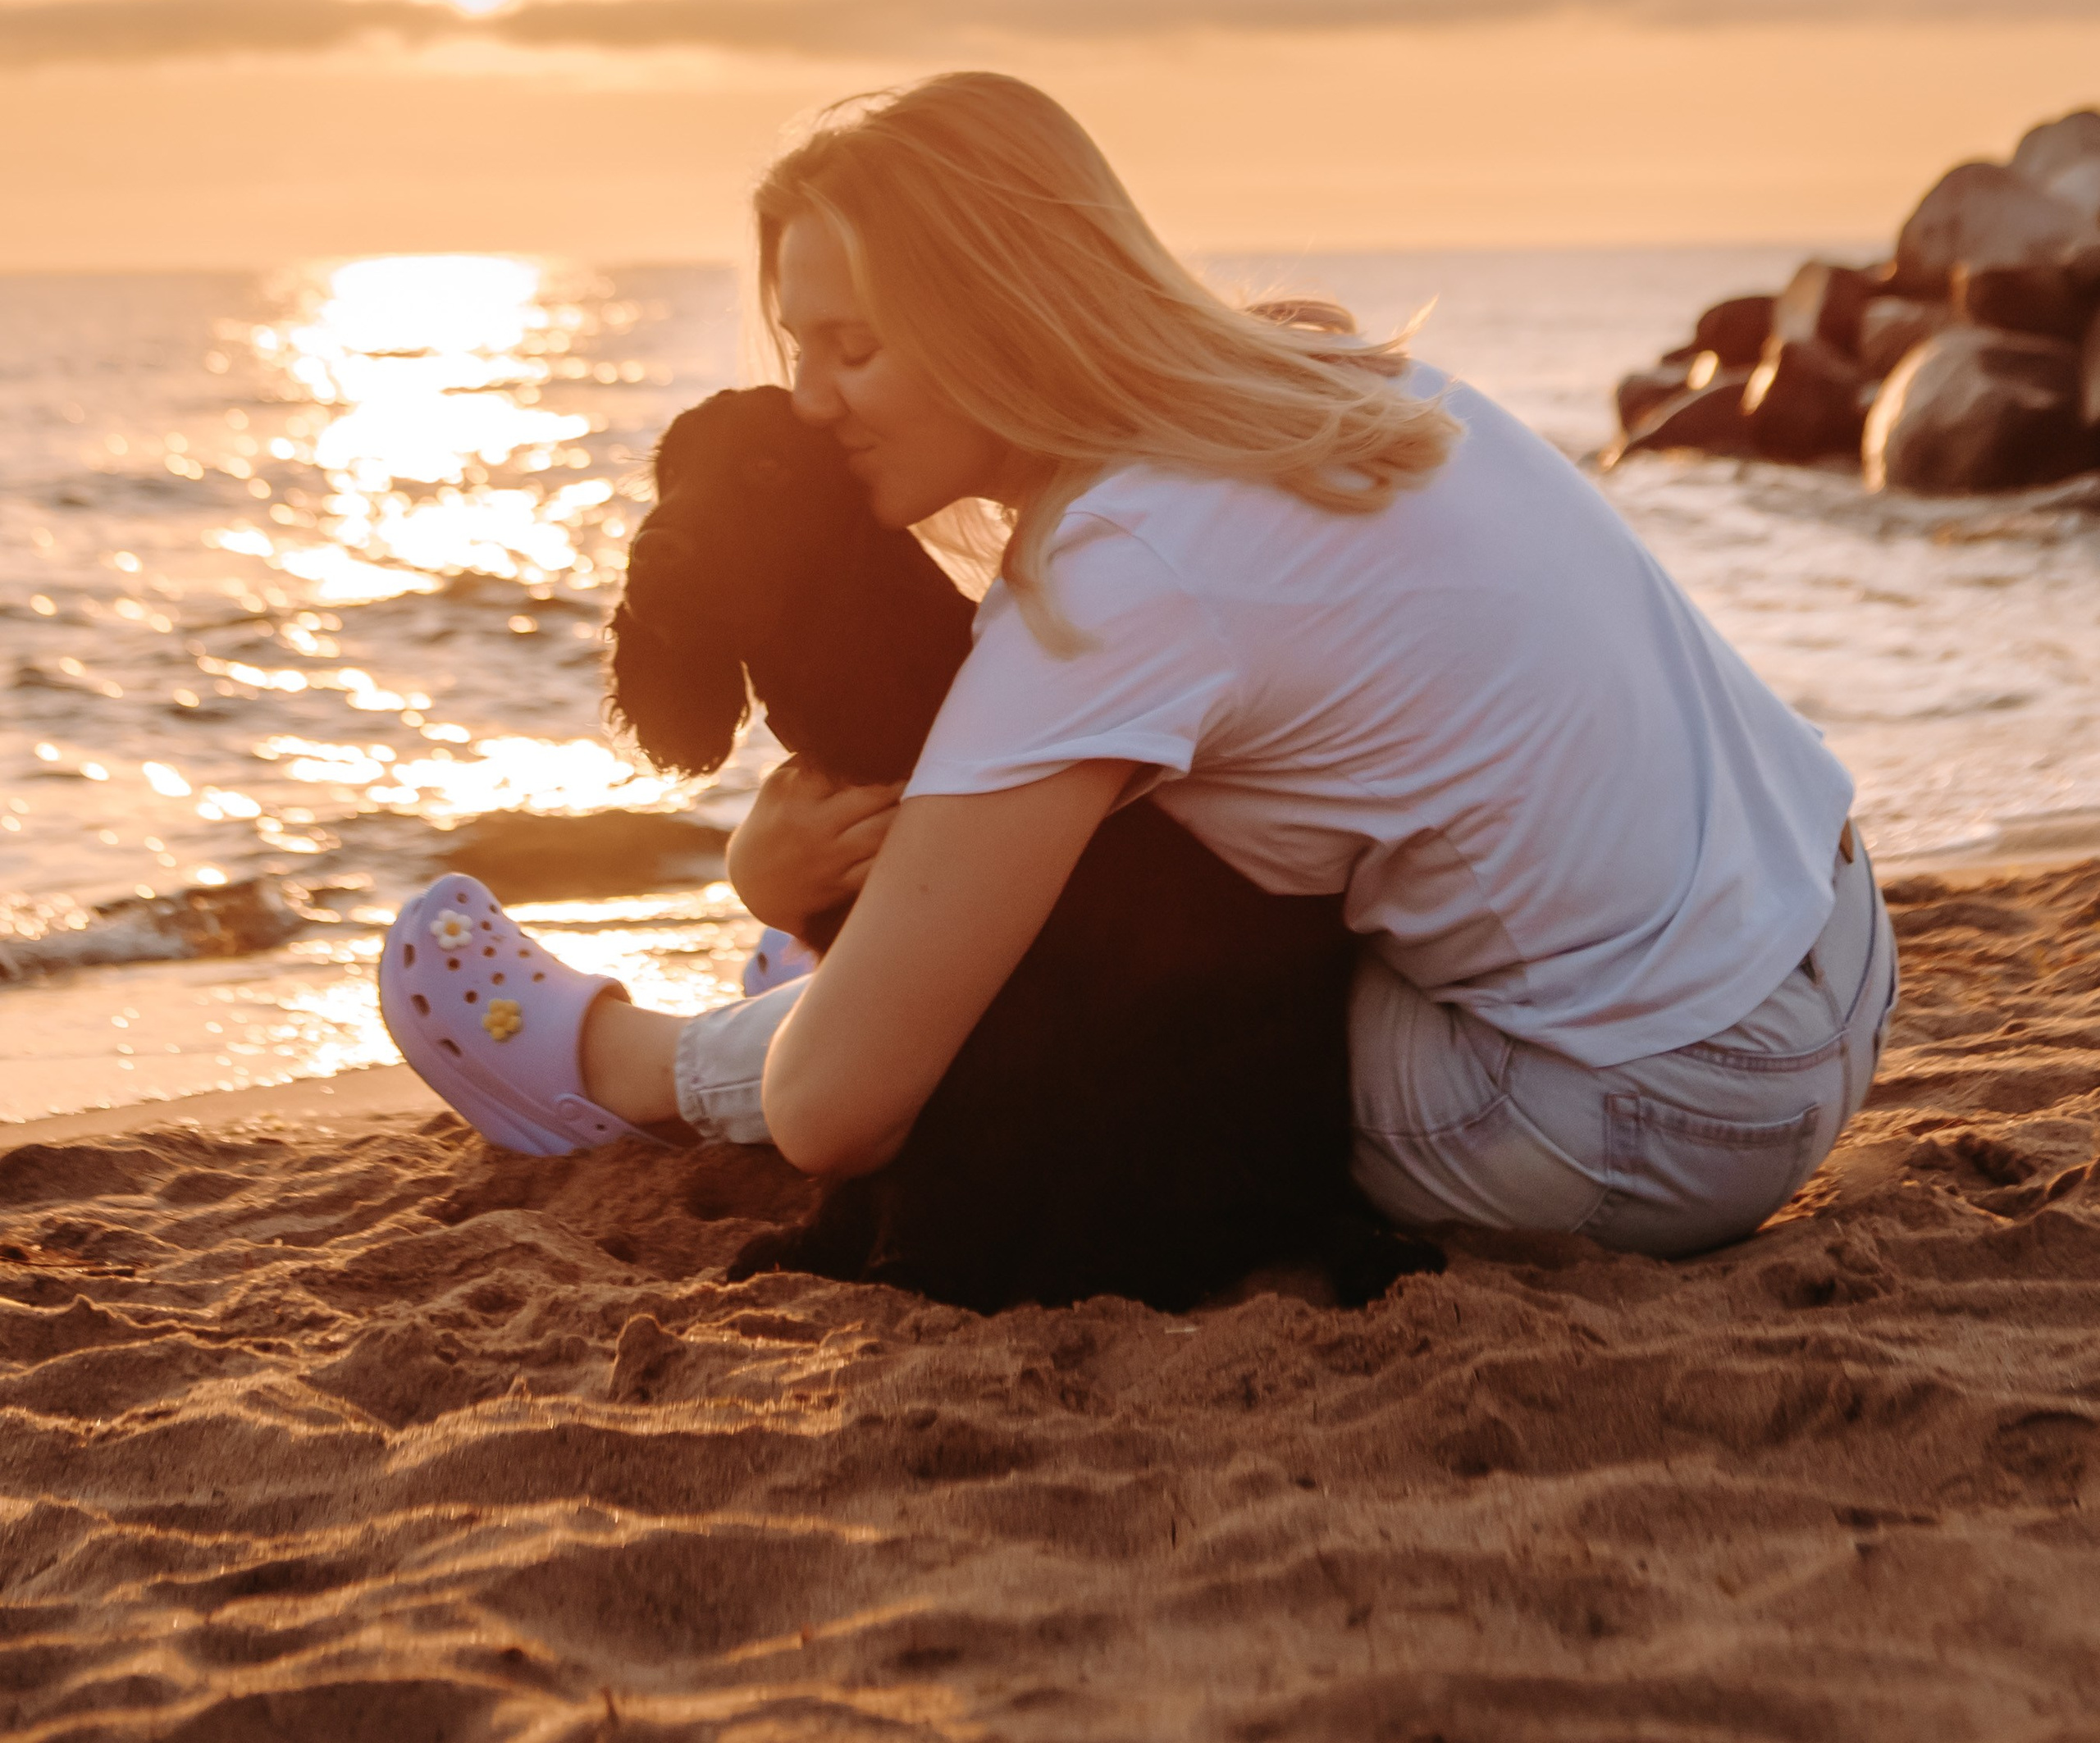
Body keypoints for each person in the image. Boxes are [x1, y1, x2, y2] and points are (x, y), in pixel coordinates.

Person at [381, 70, 1896, 1258]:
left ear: (997, 313)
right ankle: (861, 966)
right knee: (1090, 917)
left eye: (857, 347)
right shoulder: (1317, 377)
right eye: (798, 346)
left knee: (1075, 1030)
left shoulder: (1123, 571)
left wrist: (770, 886)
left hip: (1652, 1108)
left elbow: (835, 1117)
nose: (814, 402)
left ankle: (633, 1066)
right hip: (1831, 945)